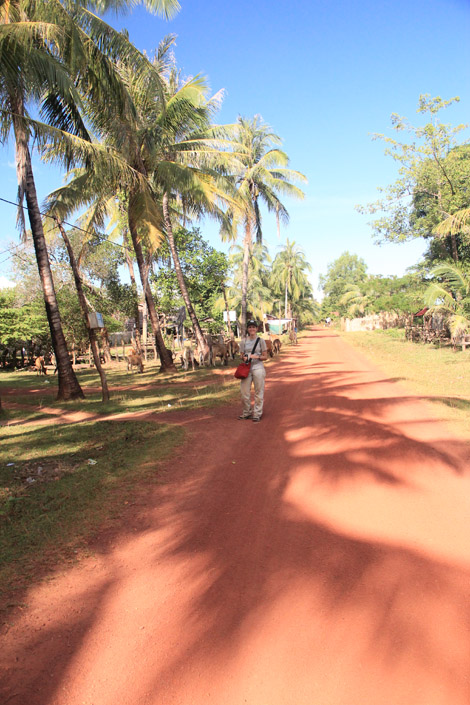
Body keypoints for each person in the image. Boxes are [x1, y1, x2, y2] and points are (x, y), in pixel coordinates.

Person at [238, 320, 268, 422]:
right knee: (244, 393)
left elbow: (265, 356)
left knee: (259, 391)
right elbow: (241, 355)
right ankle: (246, 412)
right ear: (247, 329)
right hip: (247, 368)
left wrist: (257, 356)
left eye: (253, 327)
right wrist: (244, 357)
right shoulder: (243, 341)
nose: (252, 329)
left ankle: (257, 413)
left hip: (258, 367)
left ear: (256, 329)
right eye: (250, 327)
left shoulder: (261, 341)